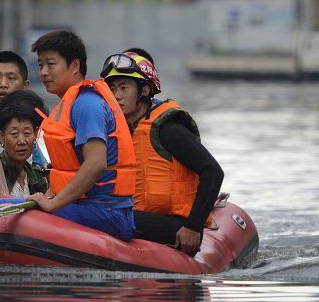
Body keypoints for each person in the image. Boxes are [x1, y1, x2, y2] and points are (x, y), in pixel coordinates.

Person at [102, 50, 224, 256]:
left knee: (108, 217)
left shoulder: (168, 129)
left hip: (177, 225)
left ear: (144, 90)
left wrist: (193, 227)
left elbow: (212, 171)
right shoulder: (118, 130)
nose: (116, 95)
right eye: (112, 88)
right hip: (140, 216)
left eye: (124, 88)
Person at [25, 30, 136, 240]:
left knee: (6, 206)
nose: (44, 72)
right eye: (40, 65)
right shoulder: (71, 102)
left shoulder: (86, 103)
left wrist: (52, 204)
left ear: (75, 66)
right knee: (8, 202)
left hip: (107, 212)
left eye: (51, 64)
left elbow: (96, 163)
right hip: (89, 207)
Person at [0, 49, 48, 166]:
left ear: (25, 86)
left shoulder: (30, 125)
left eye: (11, 78)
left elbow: (39, 167)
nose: (3, 84)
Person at [0, 90, 51, 197]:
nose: (22, 141)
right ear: (2, 136)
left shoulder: (38, 176)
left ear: (36, 133)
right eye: (14, 134)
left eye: (27, 133)